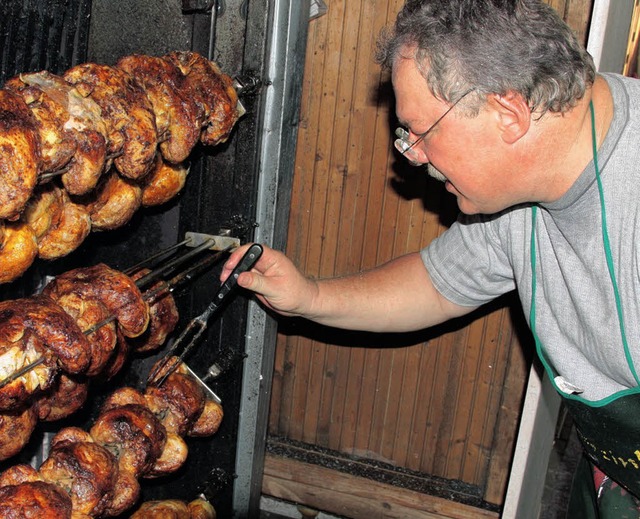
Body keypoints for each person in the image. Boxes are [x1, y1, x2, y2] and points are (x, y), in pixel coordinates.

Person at [221, 0, 640, 516]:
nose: (412, 155)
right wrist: (309, 297)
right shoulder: (519, 188)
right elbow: (437, 284)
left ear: (507, 114)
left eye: (420, 131)